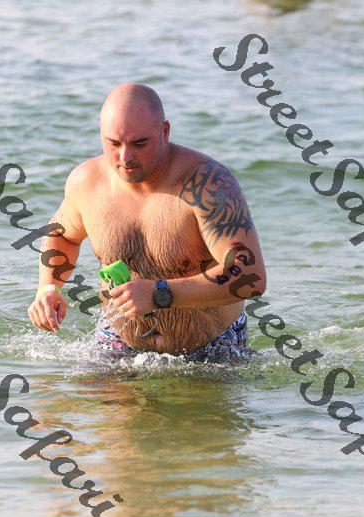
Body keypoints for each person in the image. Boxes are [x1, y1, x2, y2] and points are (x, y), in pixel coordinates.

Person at [28, 83, 267, 362]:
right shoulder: (87, 183)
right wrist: (48, 288)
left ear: (165, 132)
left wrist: (160, 293)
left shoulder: (207, 185)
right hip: (117, 340)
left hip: (212, 347)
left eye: (139, 143)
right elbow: (62, 235)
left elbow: (251, 277)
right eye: (114, 143)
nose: (125, 157)